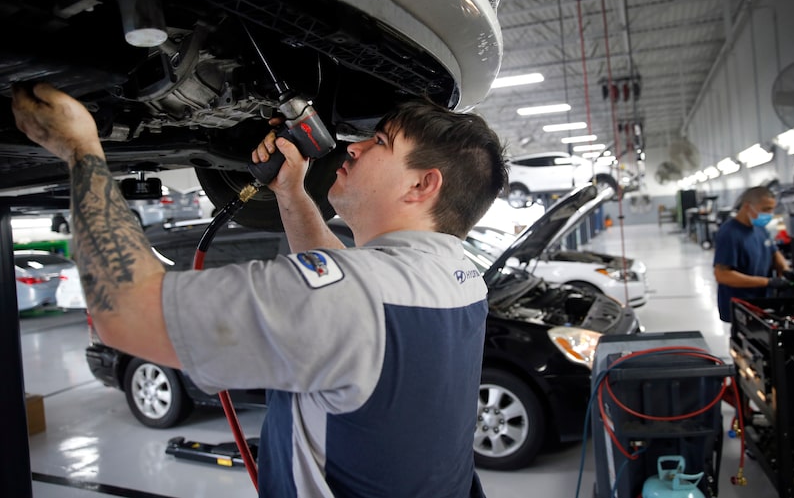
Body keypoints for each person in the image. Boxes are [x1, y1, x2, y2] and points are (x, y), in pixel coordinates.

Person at [11, 82, 509, 497]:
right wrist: (291, 193)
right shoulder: (458, 279)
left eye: (379, 142)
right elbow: (352, 288)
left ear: (423, 185)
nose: (353, 146)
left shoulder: (354, 294)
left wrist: (81, 150)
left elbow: (125, 311)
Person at [713, 186, 794, 323]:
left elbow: (773, 251)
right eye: (765, 209)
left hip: (761, 301)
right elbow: (722, 275)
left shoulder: (759, 228)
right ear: (747, 206)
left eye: (772, 209)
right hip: (741, 304)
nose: (770, 214)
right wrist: (768, 282)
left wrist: (786, 270)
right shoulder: (729, 234)